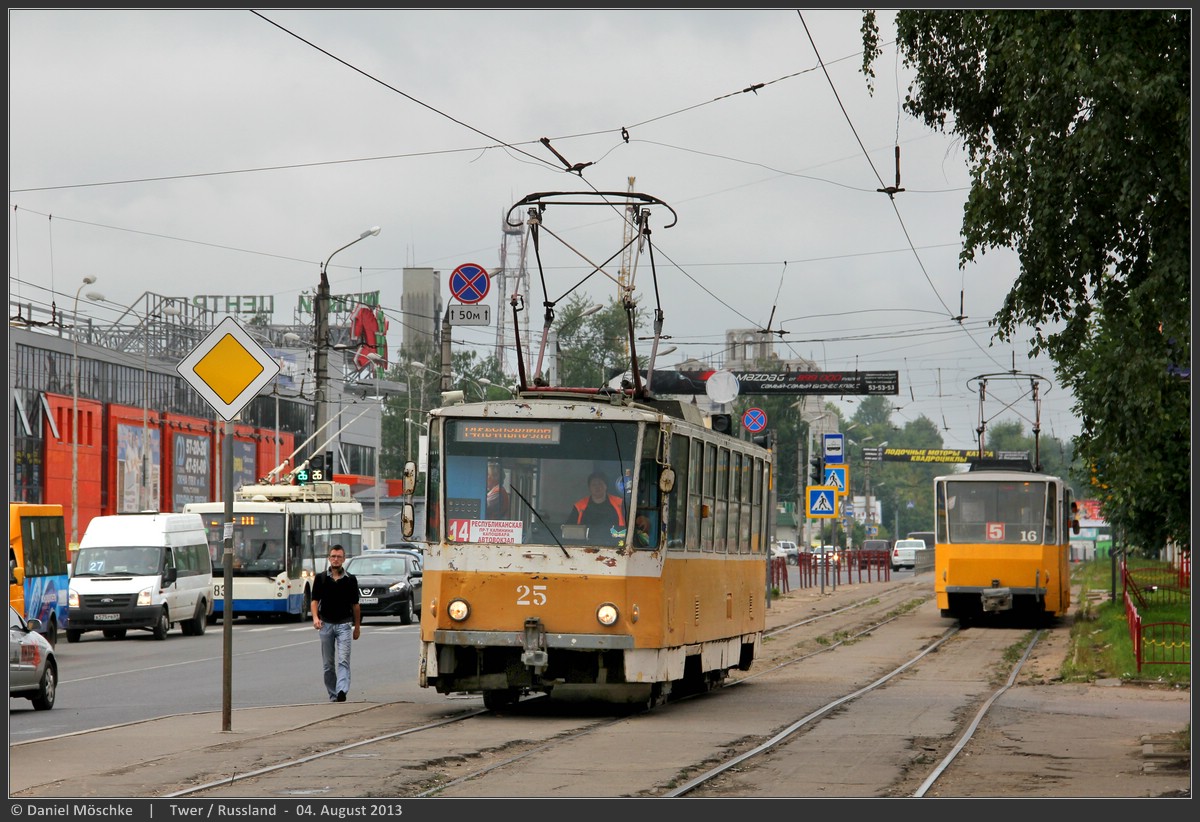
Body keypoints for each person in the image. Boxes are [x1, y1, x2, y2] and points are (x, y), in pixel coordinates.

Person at [310, 544, 361, 702]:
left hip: (344, 625)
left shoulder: (350, 580)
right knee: (328, 665)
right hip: (326, 625)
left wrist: (357, 627)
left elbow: (356, 606)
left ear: (344, 559)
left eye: (339, 557)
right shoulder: (321, 578)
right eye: (333, 556)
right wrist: (315, 618)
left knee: (343, 660)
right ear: (329, 558)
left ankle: (341, 690)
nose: (336, 559)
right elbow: (314, 601)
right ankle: (333, 695)